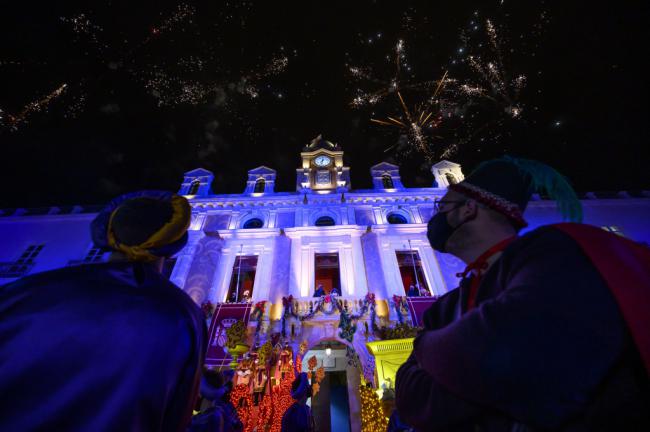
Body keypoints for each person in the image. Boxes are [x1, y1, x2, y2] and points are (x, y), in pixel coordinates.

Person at [395, 157, 650, 431]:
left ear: (468, 209)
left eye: (441, 206)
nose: (434, 218)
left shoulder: (557, 251)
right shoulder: (447, 305)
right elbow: (409, 398)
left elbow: (509, 358)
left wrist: (423, 346)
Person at [0, 190, 207, 431]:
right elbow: (176, 416)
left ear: (107, 234)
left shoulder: (24, 292)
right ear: (173, 244)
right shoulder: (182, 315)